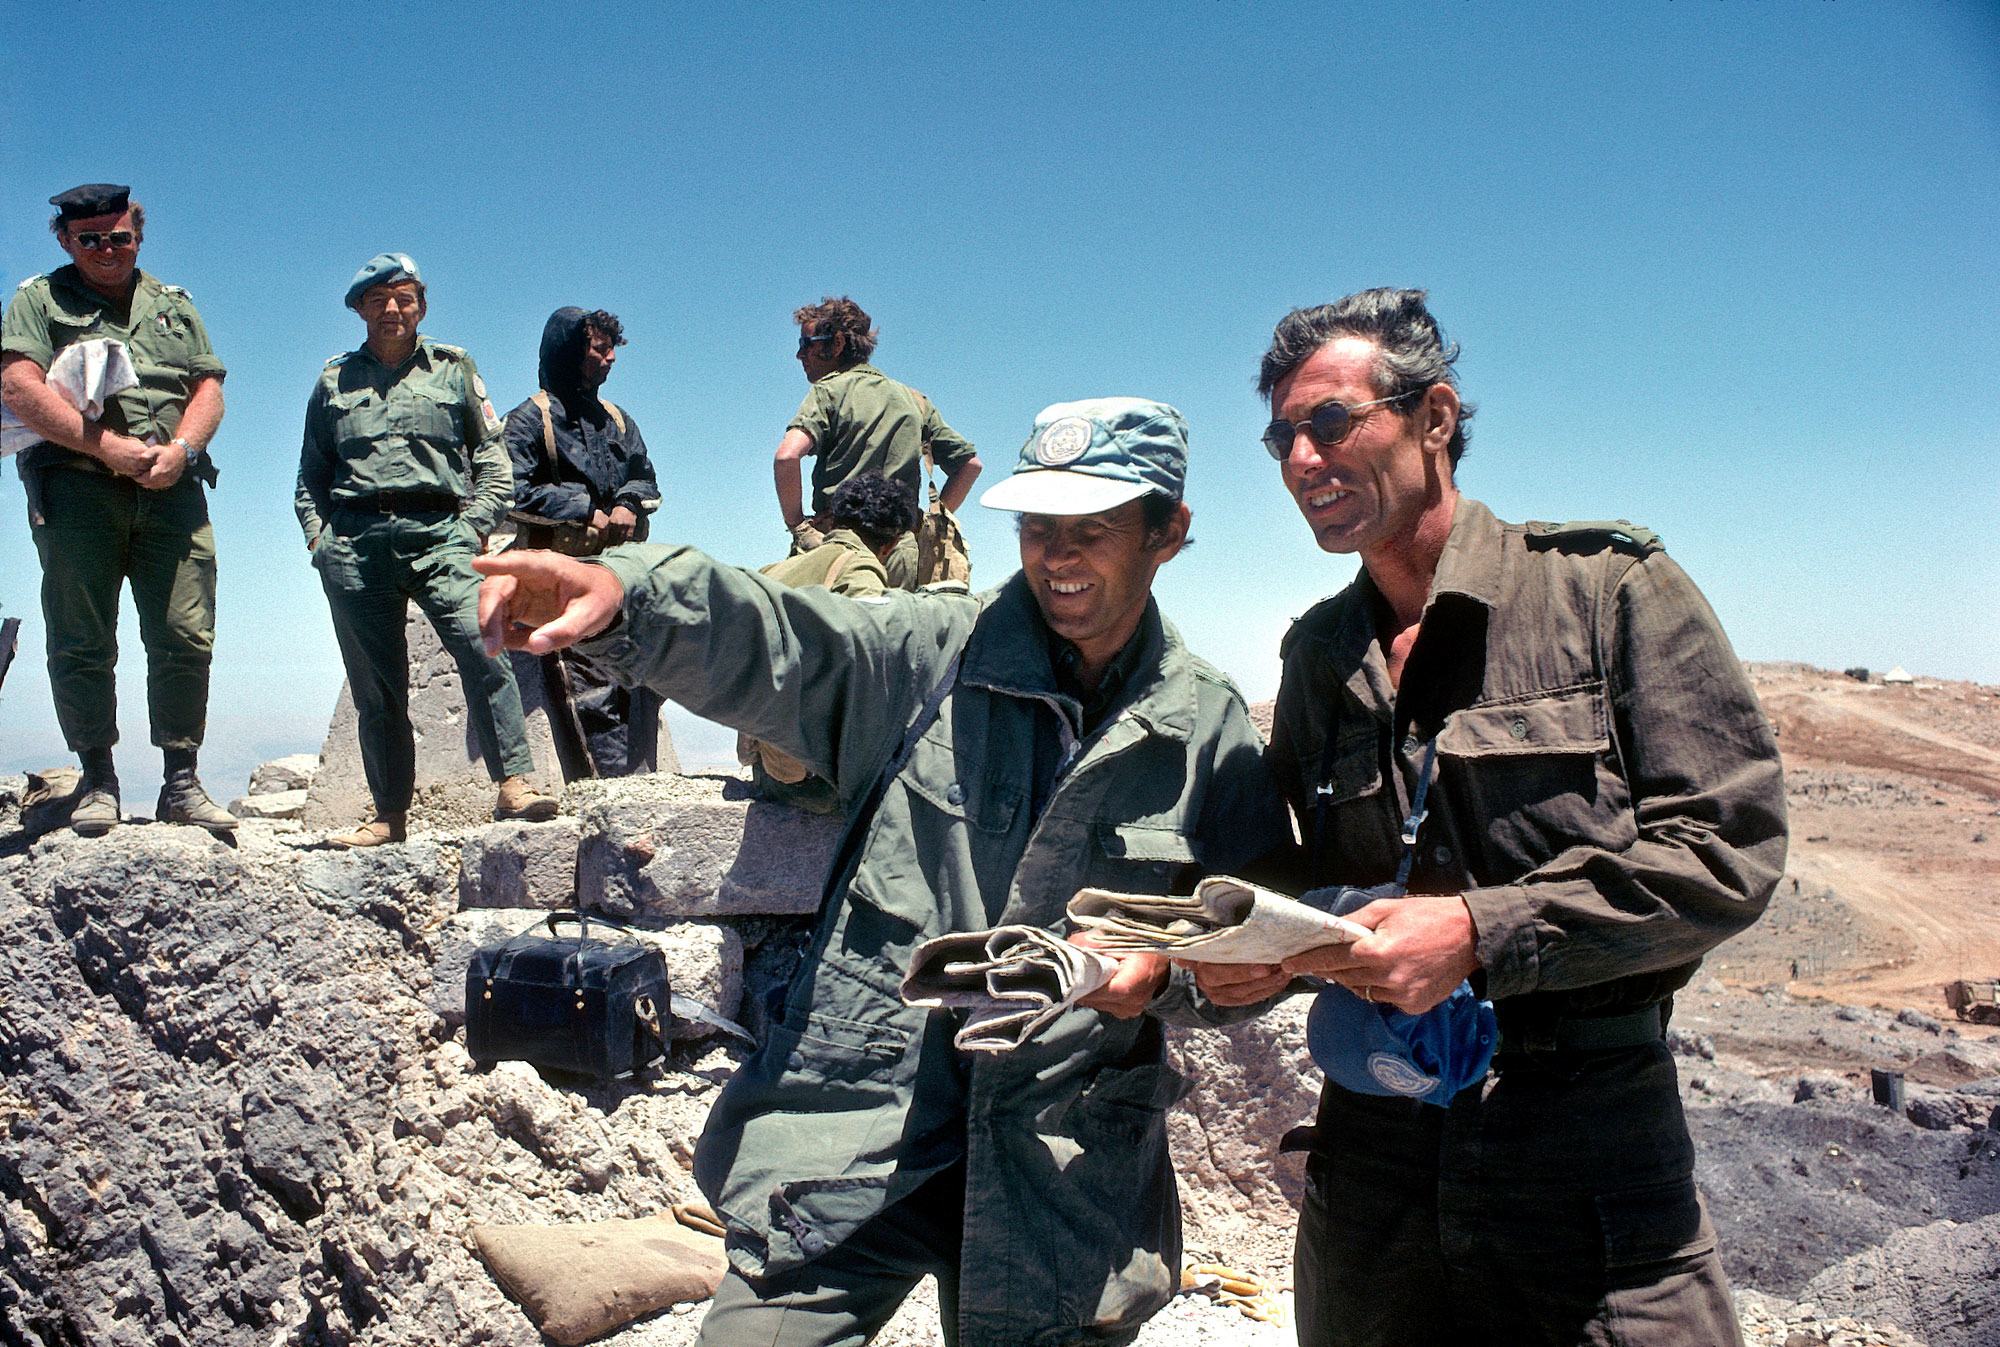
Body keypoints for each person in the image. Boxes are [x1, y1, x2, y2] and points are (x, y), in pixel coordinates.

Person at [474, 397, 1290, 1347]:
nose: (1058, 555)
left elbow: (1249, 940)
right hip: (857, 1130)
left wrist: (1170, 977)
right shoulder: (931, 654)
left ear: (1169, 533)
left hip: (1060, 1168)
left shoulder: (1205, 726)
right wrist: (628, 597)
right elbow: (785, 640)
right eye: (1037, 527)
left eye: (1093, 529)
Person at [1199, 288, 1788, 1345]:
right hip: (1371, 1164)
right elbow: (1297, 871)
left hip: (1583, 1148)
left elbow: (1726, 853)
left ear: (1432, 418)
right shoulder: (1318, 654)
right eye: (1281, 436)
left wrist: (1478, 933)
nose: (1297, 461)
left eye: (1329, 422)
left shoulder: (1605, 593)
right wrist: (1252, 952)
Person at [295, 253, 557, 848]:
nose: (393, 309)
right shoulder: (334, 381)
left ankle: (515, 784)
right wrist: (320, 540)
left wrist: (473, 526)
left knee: (484, 649)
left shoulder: (454, 368)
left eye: (406, 297)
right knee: (377, 687)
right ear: (360, 308)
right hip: (356, 543)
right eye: (380, 299)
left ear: (422, 304)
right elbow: (312, 472)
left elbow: (491, 459)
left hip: (442, 533)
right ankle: (388, 816)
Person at [0, 183, 236, 836]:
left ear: (139, 233)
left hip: (172, 491)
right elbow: (17, 384)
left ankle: (181, 781)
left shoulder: (172, 305)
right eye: (90, 241)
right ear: (65, 241)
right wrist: (109, 449)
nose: (108, 251)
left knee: (185, 633)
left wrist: (183, 448)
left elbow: (208, 386)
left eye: (120, 237)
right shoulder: (39, 299)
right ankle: (97, 778)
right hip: (76, 489)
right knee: (82, 635)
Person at [503, 307, 663, 776]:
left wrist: (627, 506)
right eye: (599, 349)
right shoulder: (530, 420)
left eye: (614, 350)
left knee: (640, 682)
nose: (610, 359)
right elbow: (509, 489)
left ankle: (642, 786)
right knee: (586, 690)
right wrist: (582, 510)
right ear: (570, 351)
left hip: (622, 574)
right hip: (560, 580)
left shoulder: (617, 420)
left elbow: (644, 477)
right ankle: (605, 794)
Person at [739, 470, 918, 813]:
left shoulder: (773, 570)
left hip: (767, 769)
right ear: (891, 544)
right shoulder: (860, 569)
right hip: (813, 786)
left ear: (835, 519)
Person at [774, 295, 980, 588]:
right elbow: (970, 465)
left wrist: (798, 527)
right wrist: (924, 526)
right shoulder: (914, 401)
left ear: (837, 344)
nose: (800, 355)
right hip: (901, 549)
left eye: (807, 344)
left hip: (837, 549)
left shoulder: (828, 391)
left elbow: (787, 456)